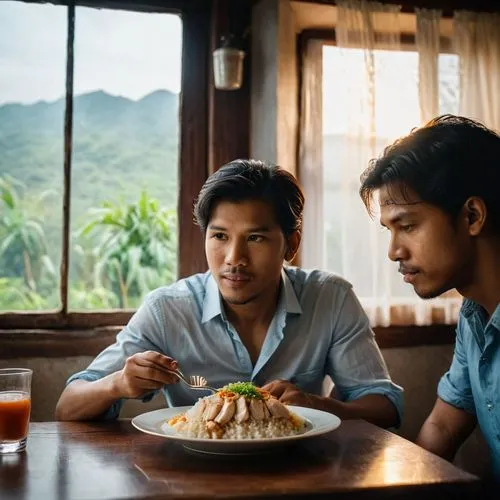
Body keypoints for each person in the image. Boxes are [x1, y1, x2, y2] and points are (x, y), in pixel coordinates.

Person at [56, 159, 402, 427]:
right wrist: (118, 384)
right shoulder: (167, 310)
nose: (234, 259)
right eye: (219, 236)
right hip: (189, 477)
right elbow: (67, 406)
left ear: (291, 244)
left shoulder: (330, 298)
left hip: (301, 474)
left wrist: (317, 405)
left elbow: (385, 408)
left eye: (255, 238)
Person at [359, 115, 500, 474]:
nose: (393, 251)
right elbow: (442, 428)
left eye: (407, 226)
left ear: (471, 216)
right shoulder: (475, 317)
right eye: (390, 230)